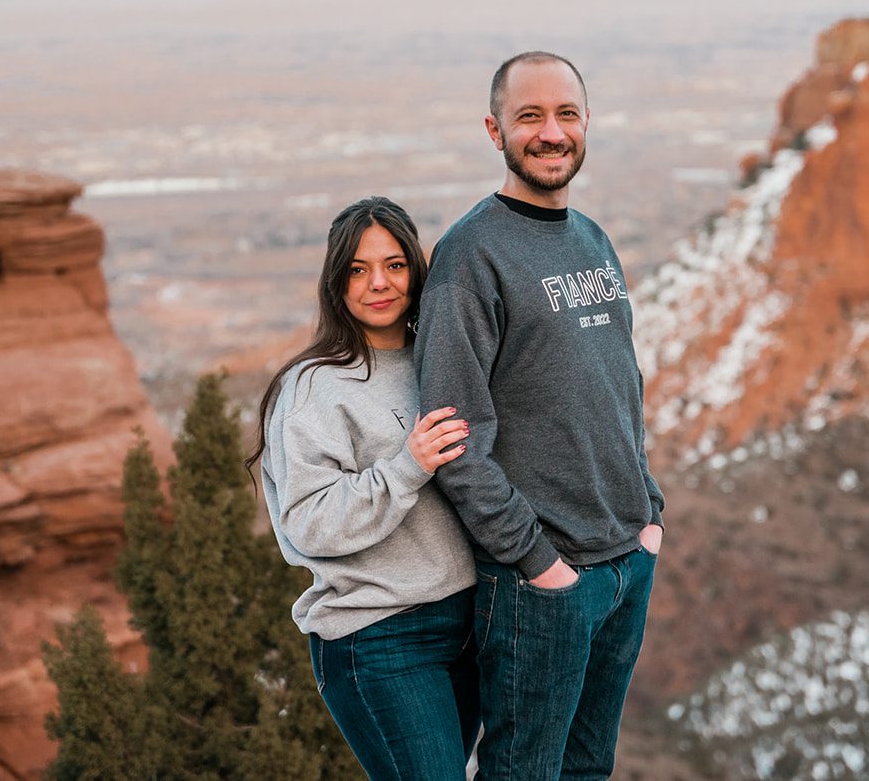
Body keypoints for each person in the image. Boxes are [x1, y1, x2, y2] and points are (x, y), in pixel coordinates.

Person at [415, 51, 665, 780]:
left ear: (587, 125)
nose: (550, 132)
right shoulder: (472, 257)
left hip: (626, 562)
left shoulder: (592, 238)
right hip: (542, 586)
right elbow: (454, 435)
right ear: (495, 131)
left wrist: (648, 515)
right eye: (530, 116)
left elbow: (622, 384)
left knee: (589, 769)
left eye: (565, 114)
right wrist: (537, 563)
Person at [251, 196, 480, 781]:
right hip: (379, 637)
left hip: (471, 625)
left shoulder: (443, 360)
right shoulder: (313, 388)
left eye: (395, 264)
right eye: (357, 269)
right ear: (336, 283)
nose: (378, 283)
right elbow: (309, 524)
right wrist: (407, 466)